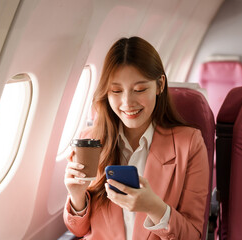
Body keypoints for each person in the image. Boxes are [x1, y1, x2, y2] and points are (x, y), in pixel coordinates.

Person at [63, 36, 209, 240]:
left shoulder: (189, 144)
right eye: (116, 91)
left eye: (139, 90)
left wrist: (155, 208)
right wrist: (77, 196)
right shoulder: (90, 142)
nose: (127, 102)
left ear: (159, 85)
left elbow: (193, 235)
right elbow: (78, 230)